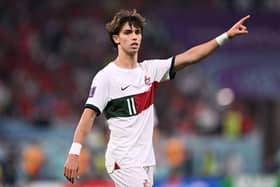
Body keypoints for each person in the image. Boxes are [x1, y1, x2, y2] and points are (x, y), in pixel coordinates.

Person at [64, 9, 250, 186]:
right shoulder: (106, 77)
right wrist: (74, 152)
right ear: (116, 38)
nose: (134, 36)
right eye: (128, 32)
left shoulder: (150, 70)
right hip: (123, 160)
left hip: (146, 161)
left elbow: (190, 57)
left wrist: (225, 36)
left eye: (137, 32)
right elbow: (87, 116)